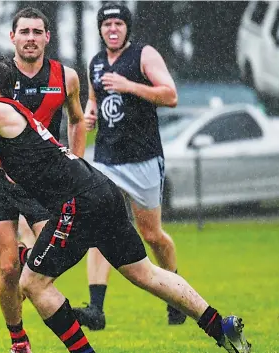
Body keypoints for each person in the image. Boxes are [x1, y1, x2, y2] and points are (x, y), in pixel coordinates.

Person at [0, 55, 251, 353]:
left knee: (33, 282)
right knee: (144, 273)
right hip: (99, 190)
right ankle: (220, 326)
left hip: (78, 201)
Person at [0, 7, 87, 353]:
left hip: (42, 181)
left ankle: (49, 297)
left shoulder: (65, 77)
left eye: (38, 32)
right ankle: (18, 339)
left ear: (47, 37)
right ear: (12, 37)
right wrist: (3, 163)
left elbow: (78, 120)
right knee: (7, 267)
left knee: (51, 257)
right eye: (24, 32)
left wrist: (76, 163)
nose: (31, 38)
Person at [73, 2, 185, 330]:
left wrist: (129, 86)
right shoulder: (95, 63)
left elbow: (170, 95)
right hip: (107, 160)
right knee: (98, 228)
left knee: (152, 235)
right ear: (100, 29)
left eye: (118, 24)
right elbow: (94, 100)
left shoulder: (144, 55)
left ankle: (176, 293)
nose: (112, 29)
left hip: (143, 158)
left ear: (126, 28)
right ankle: (96, 309)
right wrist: (89, 114)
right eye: (106, 24)